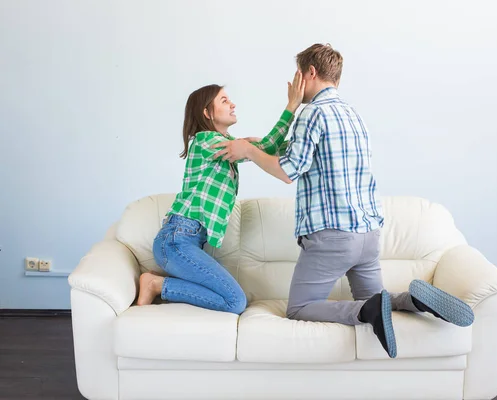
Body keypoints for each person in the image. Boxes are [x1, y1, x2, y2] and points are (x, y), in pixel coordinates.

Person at [214, 44, 474, 357]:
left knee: (300, 308)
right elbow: (315, 155)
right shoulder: (353, 114)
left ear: (310, 73)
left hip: (333, 237)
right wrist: (264, 144)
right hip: (368, 235)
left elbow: (288, 171)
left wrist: (248, 152)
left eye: (298, 75)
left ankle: (363, 313)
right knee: (377, 300)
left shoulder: (312, 113)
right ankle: (411, 301)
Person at [136, 73, 306, 314]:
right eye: (224, 100)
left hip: (186, 240)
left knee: (232, 300)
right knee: (234, 302)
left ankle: (158, 283)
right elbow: (264, 147)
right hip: (176, 240)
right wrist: (291, 106)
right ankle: (156, 284)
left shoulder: (224, 146)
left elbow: (268, 148)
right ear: (207, 112)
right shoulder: (206, 141)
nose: (232, 104)